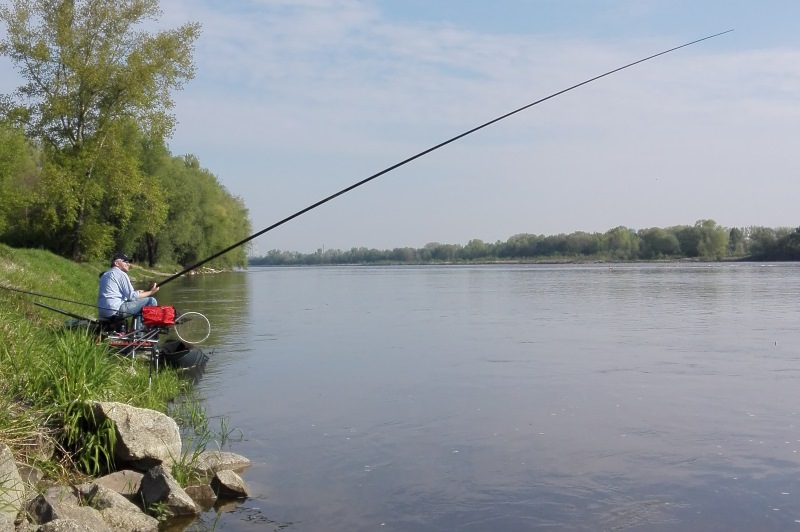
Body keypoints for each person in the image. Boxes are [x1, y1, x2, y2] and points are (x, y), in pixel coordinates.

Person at [97, 252, 159, 329]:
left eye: (128, 262)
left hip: (103, 312)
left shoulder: (105, 274)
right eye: (126, 262)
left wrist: (138, 292)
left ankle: (136, 331)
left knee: (139, 303)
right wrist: (151, 292)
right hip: (115, 310)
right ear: (116, 263)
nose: (129, 264)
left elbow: (119, 294)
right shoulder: (120, 274)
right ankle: (140, 334)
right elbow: (132, 297)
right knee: (151, 301)